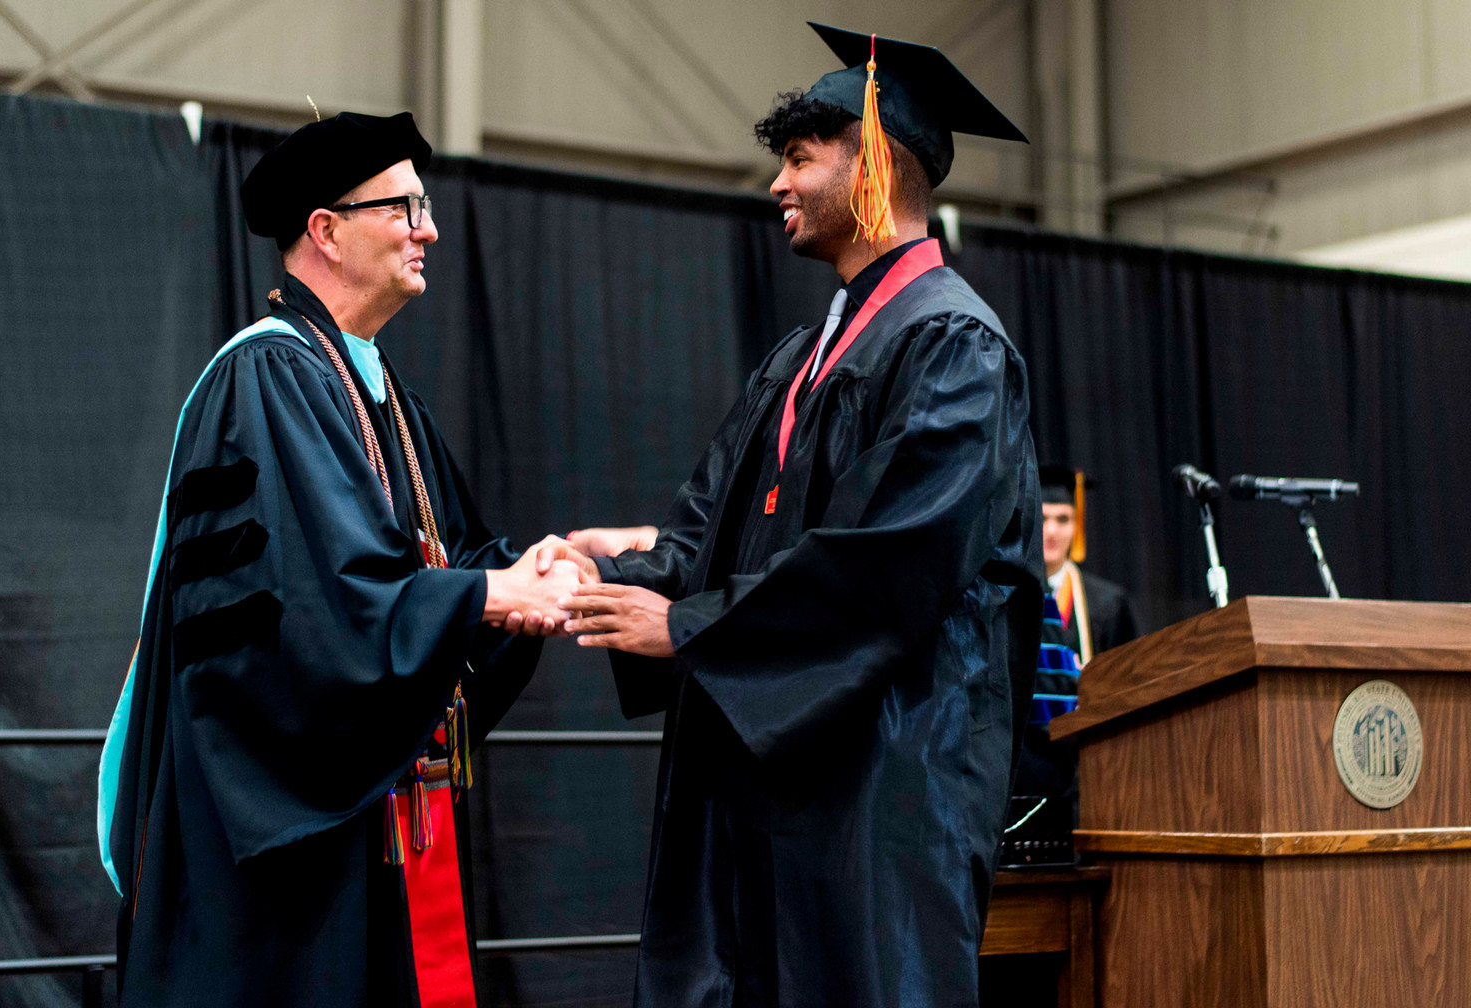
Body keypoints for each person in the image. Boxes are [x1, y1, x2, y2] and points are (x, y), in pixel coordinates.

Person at [551, 24, 1043, 1008]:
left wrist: (685, 629)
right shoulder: (799, 355)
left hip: (887, 779)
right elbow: (714, 533)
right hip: (781, 771)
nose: (778, 185)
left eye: (799, 159)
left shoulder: (955, 349)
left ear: (873, 168)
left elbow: (883, 566)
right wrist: (617, 569)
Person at [97, 110, 582, 1008]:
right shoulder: (269, 377)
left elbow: (442, 559)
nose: (428, 228)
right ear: (326, 229)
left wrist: (543, 568)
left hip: (368, 827)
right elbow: (312, 609)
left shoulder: (379, 389)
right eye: (404, 208)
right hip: (280, 848)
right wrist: (484, 593)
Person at [1038, 464, 1140, 664]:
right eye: (1042, 518)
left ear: (1076, 526)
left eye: (1063, 519)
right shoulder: (1005, 596)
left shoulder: (1107, 602)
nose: (1051, 531)